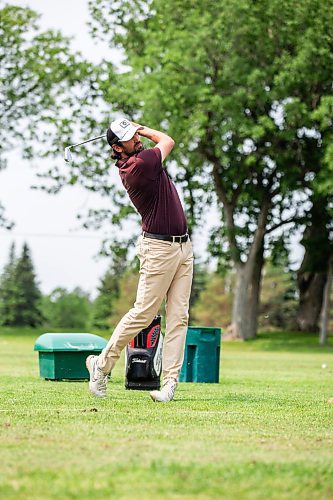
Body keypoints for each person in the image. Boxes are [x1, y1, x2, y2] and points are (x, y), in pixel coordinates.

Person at [86, 117, 193, 402]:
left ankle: (170, 383)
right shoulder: (139, 165)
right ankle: (101, 365)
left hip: (183, 247)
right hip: (158, 250)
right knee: (143, 313)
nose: (137, 139)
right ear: (118, 148)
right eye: (131, 137)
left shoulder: (139, 157)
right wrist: (141, 127)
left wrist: (130, 130)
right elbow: (168, 140)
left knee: (179, 317)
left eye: (136, 135)